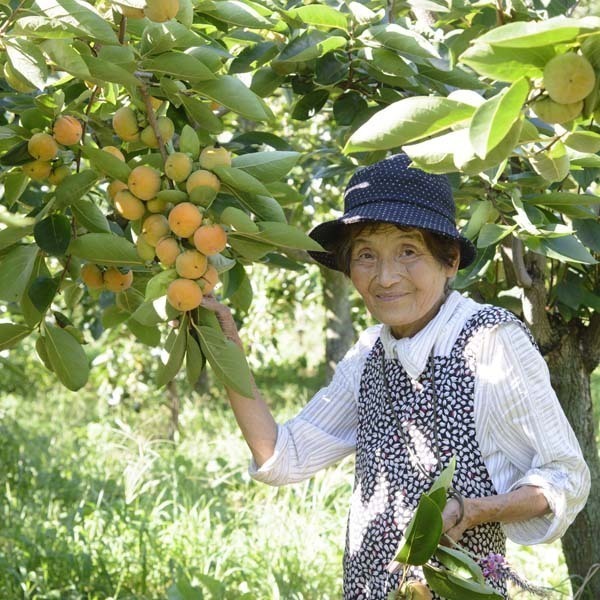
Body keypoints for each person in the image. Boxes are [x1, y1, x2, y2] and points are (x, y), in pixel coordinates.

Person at [201, 153, 590, 599]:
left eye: (408, 251)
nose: (385, 277)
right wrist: (225, 346)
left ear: (450, 261)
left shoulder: (487, 342)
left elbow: (564, 477)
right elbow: (282, 456)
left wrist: (472, 510)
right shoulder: (370, 353)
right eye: (366, 255)